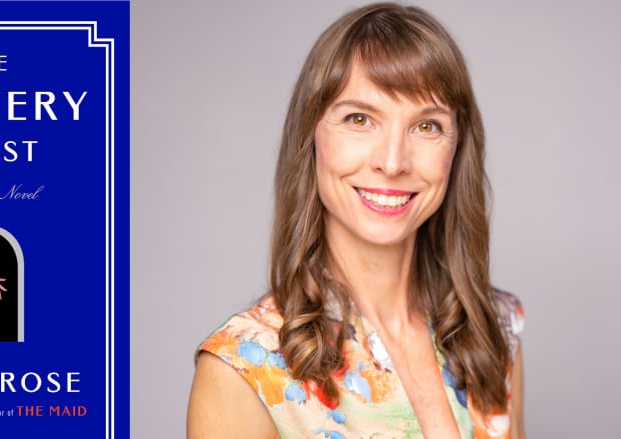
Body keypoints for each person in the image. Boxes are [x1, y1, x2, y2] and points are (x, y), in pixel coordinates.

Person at [186, 3, 525, 439]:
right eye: (359, 119)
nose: (393, 161)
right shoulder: (243, 370)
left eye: (427, 126)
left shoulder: (494, 329)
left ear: (457, 148)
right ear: (311, 136)